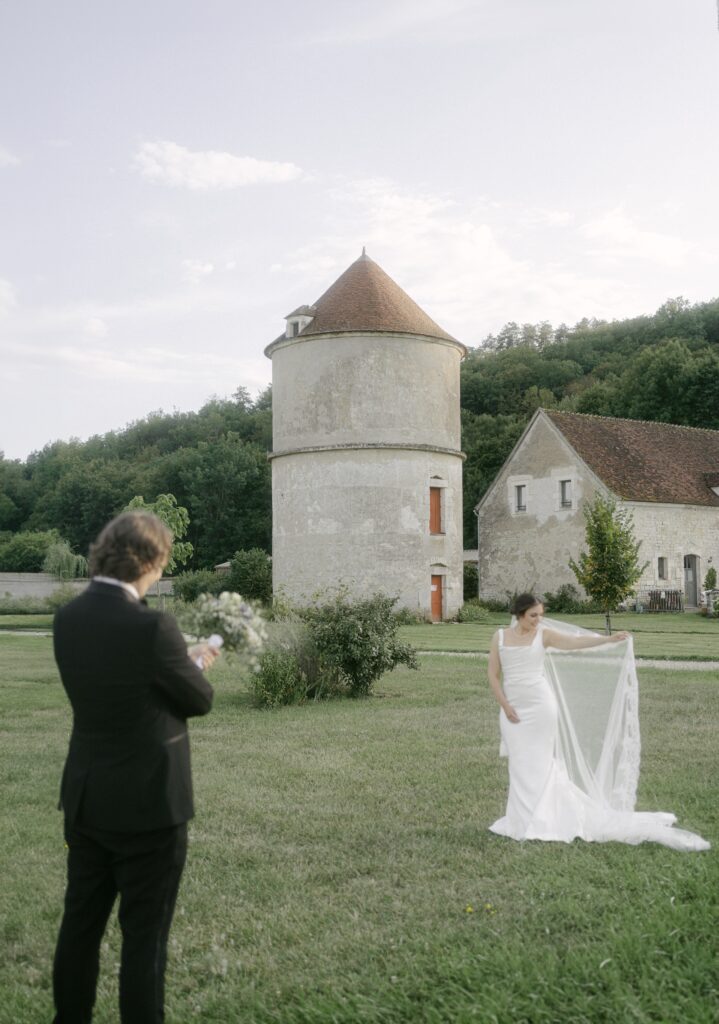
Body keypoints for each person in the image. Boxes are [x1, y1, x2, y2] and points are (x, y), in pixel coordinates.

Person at [52, 511, 221, 1024]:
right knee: (144, 939)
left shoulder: (67, 618)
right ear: (147, 560)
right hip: (150, 806)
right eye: (162, 562)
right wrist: (191, 664)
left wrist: (174, 662)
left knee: (80, 923)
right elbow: (198, 701)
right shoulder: (153, 626)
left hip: (86, 797)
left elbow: (118, 686)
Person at [487, 592, 709, 851]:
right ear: (519, 614)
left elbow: (574, 642)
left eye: (541, 615)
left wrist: (608, 639)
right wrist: (505, 704)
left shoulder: (543, 635)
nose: (538, 620)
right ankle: (519, 820)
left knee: (540, 763)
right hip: (512, 708)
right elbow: (493, 674)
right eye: (533, 615)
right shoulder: (500, 637)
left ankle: (543, 820)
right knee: (519, 764)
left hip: (541, 708)